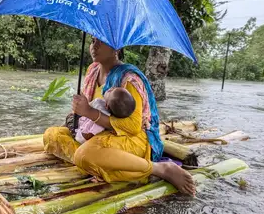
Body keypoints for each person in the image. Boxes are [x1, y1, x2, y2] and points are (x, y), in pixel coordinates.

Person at [43, 37, 195, 196]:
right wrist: (76, 115)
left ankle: (158, 169)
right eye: (93, 41)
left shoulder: (128, 79)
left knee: (84, 155)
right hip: (96, 137)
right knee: (51, 135)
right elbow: (85, 111)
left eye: (101, 41)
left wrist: (89, 112)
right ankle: (101, 164)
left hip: (130, 139)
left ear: (116, 48)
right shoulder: (92, 71)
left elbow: (133, 127)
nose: (95, 46)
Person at [67, 87, 136, 144]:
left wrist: (76, 135)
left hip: (78, 132)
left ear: (106, 106)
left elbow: (85, 136)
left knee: (69, 118)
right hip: (81, 120)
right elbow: (87, 106)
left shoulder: (102, 122)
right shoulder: (100, 102)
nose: (111, 88)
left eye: (110, 91)